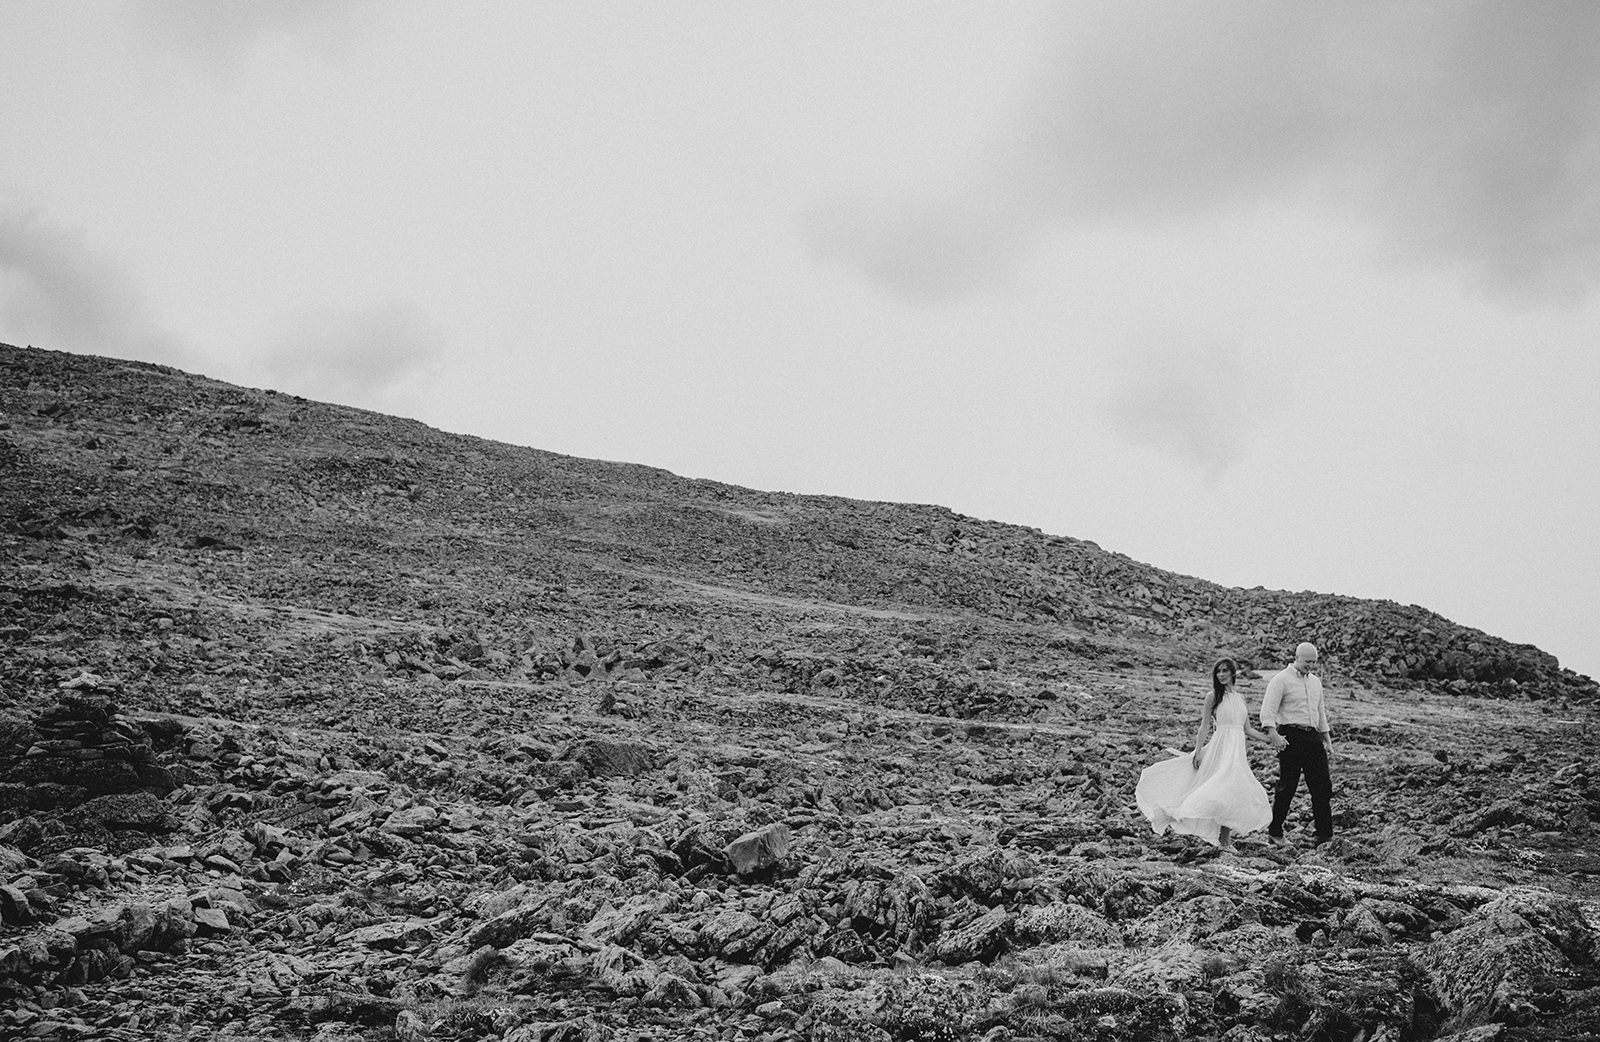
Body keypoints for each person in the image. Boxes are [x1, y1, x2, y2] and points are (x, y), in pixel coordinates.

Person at [1136, 657, 1274, 852]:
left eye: (1225, 671)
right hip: (1220, 747)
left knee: (1233, 791)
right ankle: (1209, 831)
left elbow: (1247, 729)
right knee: (1222, 788)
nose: (1221, 675)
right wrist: (1198, 751)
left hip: (1236, 750)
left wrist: (1271, 740)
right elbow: (1205, 726)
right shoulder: (1213, 696)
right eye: (1218, 672)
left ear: (1233, 673)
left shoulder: (1240, 698)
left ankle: (1224, 839)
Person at [1260, 642, 1334, 847]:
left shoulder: (1316, 682)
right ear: (1297, 658)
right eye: (1307, 661)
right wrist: (1274, 735)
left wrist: (1326, 739)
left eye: (1314, 662)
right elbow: (1268, 711)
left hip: (1313, 738)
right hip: (1290, 735)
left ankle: (1324, 834)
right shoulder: (1280, 680)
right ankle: (1275, 832)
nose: (1310, 665)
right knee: (1287, 786)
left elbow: (1320, 711)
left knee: (1322, 786)